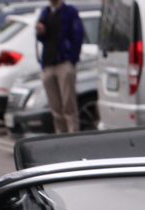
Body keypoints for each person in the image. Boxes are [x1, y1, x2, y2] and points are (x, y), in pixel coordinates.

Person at [36, 0, 85, 134]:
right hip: (48, 64)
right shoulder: (45, 12)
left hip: (64, 64)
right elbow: (42, 38)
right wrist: (40, 31)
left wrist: (71, 59)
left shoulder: (70, 12)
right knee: (55, 108)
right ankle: (60, 136)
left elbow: (78, 35)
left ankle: (73, 135)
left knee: (68, 105)